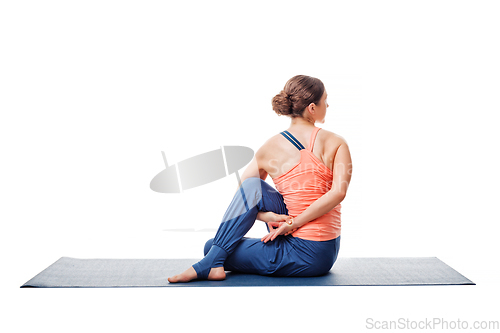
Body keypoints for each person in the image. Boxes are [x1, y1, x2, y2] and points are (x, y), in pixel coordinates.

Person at [168, 75, 352, 283]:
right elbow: (338, 191)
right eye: (325, 100)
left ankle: (211, 262)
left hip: (304, 256)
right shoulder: (337, 142)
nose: (328, 104)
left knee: (212, 247)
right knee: (215, 245)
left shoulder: (270, 147)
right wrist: (270, 218)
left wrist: (289, 223)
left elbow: (244, 192)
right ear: (312, 107)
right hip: (327, 250)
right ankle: (213, 261)